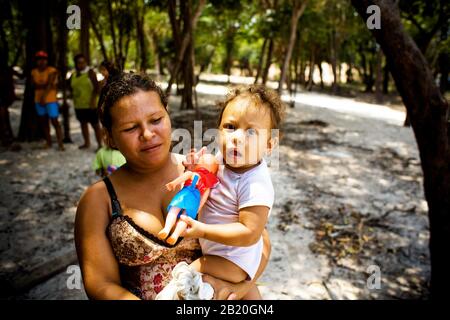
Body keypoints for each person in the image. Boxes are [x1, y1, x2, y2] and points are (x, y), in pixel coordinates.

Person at [74, 73, 271, 300]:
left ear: (168, 114)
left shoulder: (205, 170)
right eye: (130, 128)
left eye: (156, 120)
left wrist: (244, 287)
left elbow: (260, 240)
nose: (148, 134)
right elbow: (100, 284)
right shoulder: (99, 199)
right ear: (109, 137)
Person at [158, 84, 284, 300]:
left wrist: (202, 230)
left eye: (251, 131)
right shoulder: (224, 159)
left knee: (186, 278)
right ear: (218, 130)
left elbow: (250, 233)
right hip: (223, 255)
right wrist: (193, 167)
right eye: (230, 126)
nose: (237, 138)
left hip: (233, 261)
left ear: (269, 145)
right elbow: (204, 178)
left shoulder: (255, 183)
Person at [31, 51, 64, 151]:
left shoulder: (52, 70)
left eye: (44, 59)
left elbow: (50, 85)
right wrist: (45, 86)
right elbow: (34, 85)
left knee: (55, 121)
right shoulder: (34, 72)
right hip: (38, 100)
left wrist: (43, 96)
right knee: (44, 122)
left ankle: (60, 143)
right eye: (39, 59)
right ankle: (48, 142)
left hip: (51, 100)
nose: (42, 61)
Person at [69, 53, 102, 150]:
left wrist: (92, 101)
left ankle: (100, 145)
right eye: (79, 63)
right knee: (83, 123)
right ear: (76, 63)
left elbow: (96, 88)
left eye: (83, 62)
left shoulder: (90, 73)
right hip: (79, 104)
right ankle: (86, 143)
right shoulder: (74, 74)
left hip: (91, 105)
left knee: (95, 125)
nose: (81, 64)